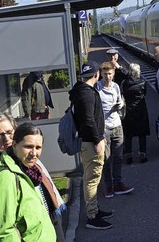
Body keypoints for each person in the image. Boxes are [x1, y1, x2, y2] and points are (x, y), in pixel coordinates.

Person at [0, 123, 57, 242]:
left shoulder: (30, 173)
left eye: (38, 147)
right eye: (28, 147)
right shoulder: (6, 178)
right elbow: (1, 233)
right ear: (14, 145)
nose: (34, 153)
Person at [68, 61, 114, 230]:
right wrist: (97, 140)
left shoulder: (81, 91)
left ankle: (95, 210)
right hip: (91, 142)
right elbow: (88, 120)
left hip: (88, 141)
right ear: (96, 75)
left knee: (92, 178)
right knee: (91, 180)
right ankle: (92, 217)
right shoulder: (86, 94)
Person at [96, 61, 134, 199]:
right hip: (104, 128)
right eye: (105, 74)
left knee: (118, 157)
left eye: (110, 74)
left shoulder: (116, 87)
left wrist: (120, 104)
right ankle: (108, 185)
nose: (108, 77)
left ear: (114, 73)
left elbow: (120, 100)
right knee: (106, 158)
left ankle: (118, 183)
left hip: (117, 125)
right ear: (101, 74)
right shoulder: (97, 88)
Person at [121, 63, 150, 164]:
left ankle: (129, 157)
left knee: (128, 135)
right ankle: (143, 155)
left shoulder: (124, 83)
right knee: (142, 135)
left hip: (128, 111)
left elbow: (123, 94)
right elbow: (144, 94)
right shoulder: (142, 83)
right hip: (141, 110)